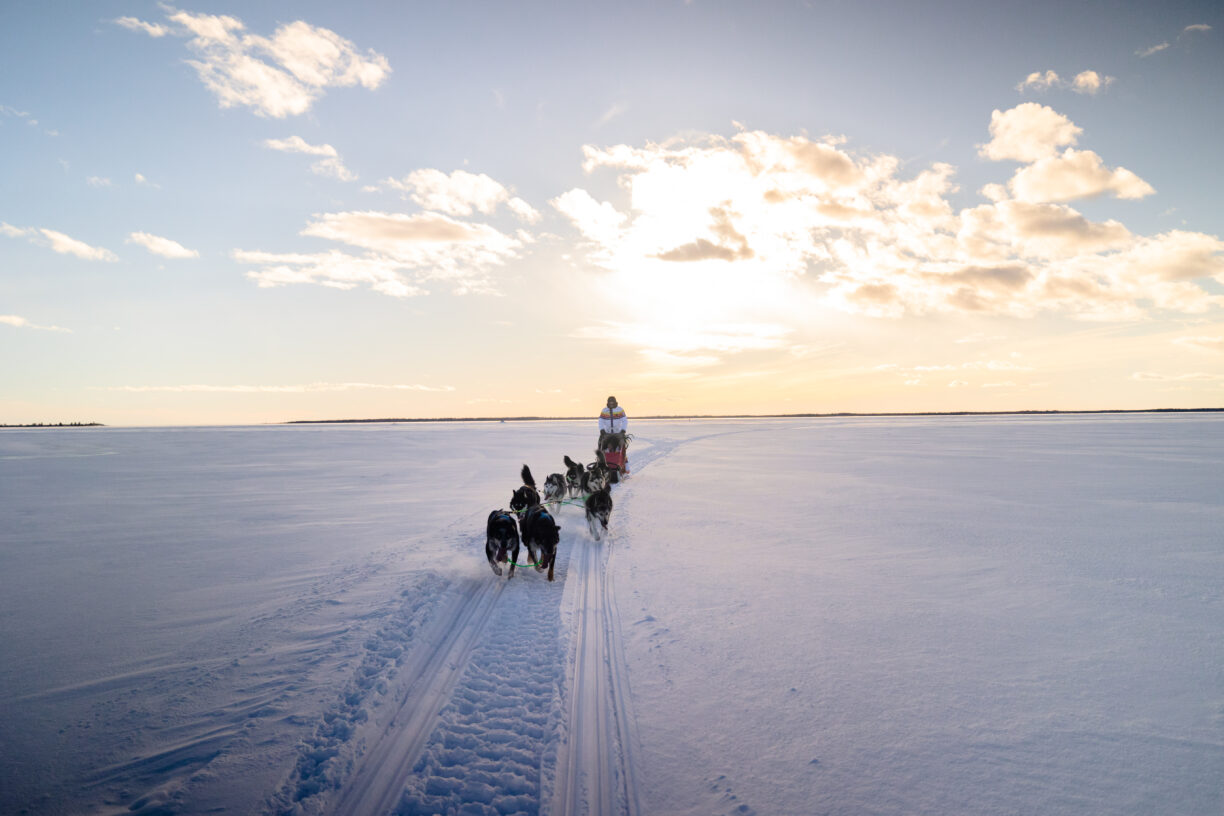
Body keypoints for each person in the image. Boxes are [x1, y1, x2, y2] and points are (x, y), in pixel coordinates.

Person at [598, 395, 629, 476]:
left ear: (615, 402)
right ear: (608, 403)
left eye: (612, 402)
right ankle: (601, 462)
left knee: (622, 445)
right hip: (607, 433)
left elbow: (625, 421)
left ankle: (625, 464)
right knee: (601, 444)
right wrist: (602, 430)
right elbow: (600, 421)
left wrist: (623, 430)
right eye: (610, 402)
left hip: (618, 433)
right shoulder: (604, 411)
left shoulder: (620, 410)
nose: (611, 404)